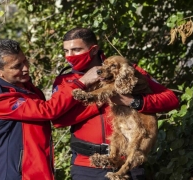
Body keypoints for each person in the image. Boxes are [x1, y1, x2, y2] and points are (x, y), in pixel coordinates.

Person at [52, 27, 180, 180]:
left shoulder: (127, 70)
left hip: (128, 164)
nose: (69, 56)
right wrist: (98, 97)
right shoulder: (65, 81)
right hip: (87, 166)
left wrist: (135, 101)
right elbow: (58, 120)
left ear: (93, 50)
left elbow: (171, 99)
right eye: (66, 51)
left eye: (76, 50)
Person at [0, 39, 100, 180]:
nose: (25, 68)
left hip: (36, 169)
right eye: (17, 66)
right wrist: (82, 82)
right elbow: (47, 111)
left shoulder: (25, 86)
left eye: (25, 61)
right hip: (13, 173)